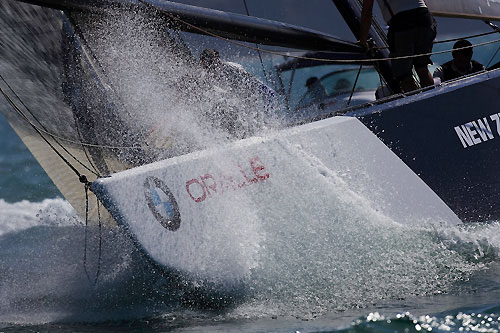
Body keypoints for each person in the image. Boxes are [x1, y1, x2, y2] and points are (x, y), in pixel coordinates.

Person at [359, 0, 437, 93]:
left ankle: (416, 103)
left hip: (401, 23)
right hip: (425, 18)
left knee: (405, 76)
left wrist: (363, 40)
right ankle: (432, 99)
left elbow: (367, 12)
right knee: (422, 67)